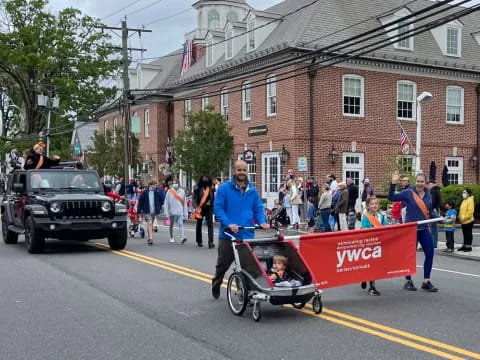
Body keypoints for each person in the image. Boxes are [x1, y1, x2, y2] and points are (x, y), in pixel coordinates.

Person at [211, 160, 269, 299]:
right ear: (234, 171)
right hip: (228, 235)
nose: (242, 172)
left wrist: (262, 222)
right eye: (239, 170)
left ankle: (243, 292)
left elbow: (258, 209)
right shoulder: (224, 188)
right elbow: (218, 208)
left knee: (247, 266)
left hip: (247, 234)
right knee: (222, 265)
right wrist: (229, 223)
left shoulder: (253, 190)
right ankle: (216, 282)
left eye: (244, 170)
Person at [388, 170, 438, 292]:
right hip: (411, 229)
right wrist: (393, 183)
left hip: (424, 228)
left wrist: (439, 217)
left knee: (430, 253)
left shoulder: (428, 194)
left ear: (425, 183)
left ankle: (426, 281)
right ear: (415, 182)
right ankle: (408, 280)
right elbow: (391, 197)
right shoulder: (408, 193)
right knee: (410, 256)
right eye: (418, 181)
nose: (420, 183)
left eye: (422, 181)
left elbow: (429, 211)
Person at [360, 196, 387, 296]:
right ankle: (371, 287)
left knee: (374, 265)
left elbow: (385, 228)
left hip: (378, 244)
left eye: (376, 204)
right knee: (370, 265)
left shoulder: (381, 216)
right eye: (372, 204)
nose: (374, 205)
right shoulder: (365, 217)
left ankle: (365, 278)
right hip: (369, 244)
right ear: (367, 206)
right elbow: (364, 230)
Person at [138, 181, 164, 246]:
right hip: (146, 210)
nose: (155, 187)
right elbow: (140, 201)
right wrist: (139, 210)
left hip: (153, 211)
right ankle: (150, 239)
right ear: (150, 185)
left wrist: (159, 207)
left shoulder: (157, 193)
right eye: (154, 185)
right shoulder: (144, 192)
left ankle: (149, 237)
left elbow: (161, 200)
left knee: (150, 224)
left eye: (155, 186)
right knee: (149, 222)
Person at [193, 174, 215, 249]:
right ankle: (199, 241)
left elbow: (213, 198)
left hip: (209, 208)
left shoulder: (211, 188)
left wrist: (212, 206)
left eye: (207, 178)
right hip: (200, 208)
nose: (205, 180)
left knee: (210, 225)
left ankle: (211, 242)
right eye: (203, 178)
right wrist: (196, 207)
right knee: (199, 224)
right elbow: (194, 198)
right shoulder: (197, 188)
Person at [164, 179, 188, 245]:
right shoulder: (169, 191)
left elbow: (184, 203)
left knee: (181, 224)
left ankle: (182, 237)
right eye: (174, 183)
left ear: (179, 184)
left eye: (176, 183)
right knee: (171, 225)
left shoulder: (182, 192)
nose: (175, 184)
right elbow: (166, 202)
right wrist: (166, 212)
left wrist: (185, 214)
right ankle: (171, 237)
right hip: (171, 211)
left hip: (180, 211)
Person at [458, 188, 474, 252]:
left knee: (468, 234)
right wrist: (460, 217)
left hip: (468, 221)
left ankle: (468, 247)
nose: (463, 194)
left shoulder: (470, 200)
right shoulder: (464, 200)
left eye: (465, 192)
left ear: (468, 194)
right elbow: (462, 210)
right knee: (465, 234)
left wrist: (464, 217)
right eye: (463, 192)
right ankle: (464, 246)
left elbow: (470, 211)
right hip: (463, 221)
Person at [427, 180, 441, 248]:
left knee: (433, 227)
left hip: (433, 210)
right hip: (435, 210)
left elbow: (432, 202)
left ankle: (433, 243)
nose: (428, 186)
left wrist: (430, 209)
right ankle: (434, 243)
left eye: (429, 184)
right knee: (433, 227)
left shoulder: (433, 191)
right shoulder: (437, 190)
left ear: (432, 184)